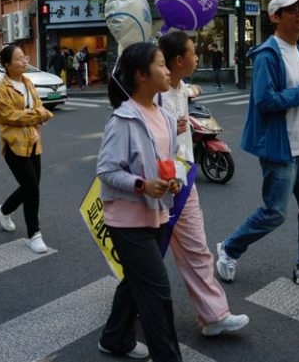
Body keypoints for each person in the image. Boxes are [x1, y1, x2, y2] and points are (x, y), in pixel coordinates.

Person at [216, 0, 299, 289]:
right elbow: (265, 101)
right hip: (280, 149)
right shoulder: (267, 54)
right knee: (274, 213)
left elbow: (297, 95)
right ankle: (229, 248)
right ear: (275, 17)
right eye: (291, 10)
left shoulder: (296, 50)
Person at [158, 32, 249, 337]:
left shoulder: (181, 89)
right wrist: (168, 128)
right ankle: (124, 314)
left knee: (197, 249)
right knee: (146, 257)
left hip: (184, 181)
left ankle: (213, 316)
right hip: (158, 188)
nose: (198, 57)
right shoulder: (155, 96)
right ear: (179, 60)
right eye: (194, 53)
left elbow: (188, 93)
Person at [97, 42, 182, 361]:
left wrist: (171, 181)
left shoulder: (165, 115)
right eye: (161, 65)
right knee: (157, 294)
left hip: (157, 213)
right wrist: (141, 184)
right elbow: (106, 170)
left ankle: (114, 338)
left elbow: (164, 160)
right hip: (127, 222)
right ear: (141, 75)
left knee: (136, 282)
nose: (167, 70)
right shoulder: (123, 120)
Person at [0, 45, 53, 254]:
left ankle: (4, 210)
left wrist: (36, 112)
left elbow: (39, 106)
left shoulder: (27, 82)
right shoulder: (2, 89)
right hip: (14, 145)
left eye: (24, 57)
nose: (25, 60)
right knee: (32, 188)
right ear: (7, 65)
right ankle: (34, 234)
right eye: (19, 58)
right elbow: (10, 116)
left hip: (33, 142)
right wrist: (37, 114)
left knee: (32, 185)